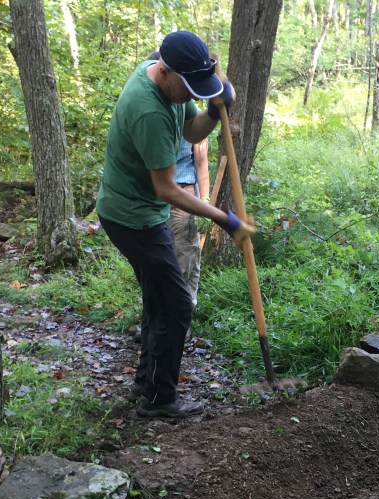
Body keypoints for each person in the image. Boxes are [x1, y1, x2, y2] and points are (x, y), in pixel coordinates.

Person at [98, 31, 253, 419]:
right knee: (177, 303)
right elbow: (166, 189)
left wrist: (213, 113)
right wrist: (223, 217)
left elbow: (190, 130)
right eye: (189, 88)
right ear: (165, 72)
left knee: (160, 299)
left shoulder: (166, 80)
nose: (191, 96)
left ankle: (146, 383)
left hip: (140, 211)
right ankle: (159, 399)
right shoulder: (149, 111)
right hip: (133, 218)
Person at [146, 51, 210, 307]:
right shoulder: (152, 111)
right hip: (158, 199)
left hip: (184, 198)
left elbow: (201, 163)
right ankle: (168, 314)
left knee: (187, 259)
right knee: (165, 265)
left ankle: (182, 314)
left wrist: (205, 200)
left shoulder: (188, 111)